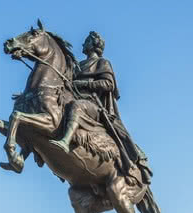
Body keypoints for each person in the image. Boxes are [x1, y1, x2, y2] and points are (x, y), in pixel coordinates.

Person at [49, 31, 152, 184]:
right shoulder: (78, 65)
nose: (83, 44)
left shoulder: (102, 63)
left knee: (77, 106)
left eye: (87, 41)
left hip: (94, 105)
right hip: (74, 99)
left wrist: (84, 84)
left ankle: (65, 141)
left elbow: (108, 84)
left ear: (94, 44)